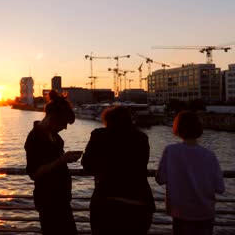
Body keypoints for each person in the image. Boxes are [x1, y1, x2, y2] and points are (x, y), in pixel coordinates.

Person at [81, 105, 155, 235]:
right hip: (139, 202)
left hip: (107, 202)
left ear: (107, 120)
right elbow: (142, 164)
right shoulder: (142, 138)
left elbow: (87, 164)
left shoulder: (99, 135)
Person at [156, 110, 225, 235]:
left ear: (178, 128)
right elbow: (220, 188)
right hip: (205, 213)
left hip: (180, 212)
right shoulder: (210, 155)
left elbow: (160, 178)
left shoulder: (170, 151)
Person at [24, 90, 82, 235]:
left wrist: (66, 159)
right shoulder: (34, 138)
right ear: (53, 117)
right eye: (64, 122)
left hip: (62, 199)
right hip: (48, 201)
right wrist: (62, 159)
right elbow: (35, 173)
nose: (65, 127)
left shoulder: (56, 138)